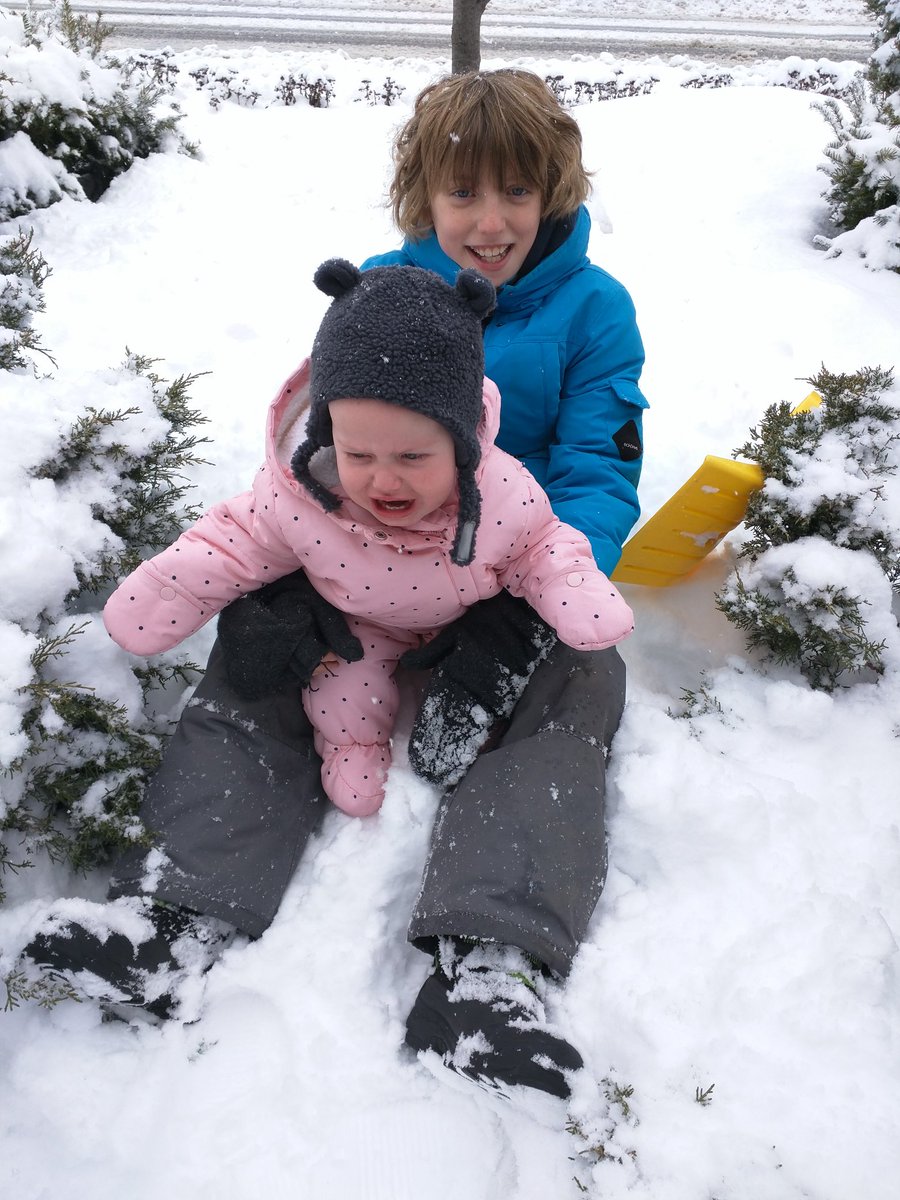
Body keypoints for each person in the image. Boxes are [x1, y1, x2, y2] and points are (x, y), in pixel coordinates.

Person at [22, 69, 648, 1103]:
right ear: (423, 196)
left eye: (516, 193)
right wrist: (299, 549)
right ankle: (174, 917)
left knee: (581, 676)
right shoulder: (379, 287)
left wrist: (525, 607)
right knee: (260, 645)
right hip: (364, 553)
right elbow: (325, 436)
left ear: (555, 195)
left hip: (506, 563)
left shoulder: (594, 310)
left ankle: (492, 968)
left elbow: (596, 468)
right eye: (462, 193)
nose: (490, 222)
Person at [101, 259, 633, 819]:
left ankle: (479, 726)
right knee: (341, 688)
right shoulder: (302, 497)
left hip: (468, 621)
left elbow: (541, 544)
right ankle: (353, 748)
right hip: (360, 626)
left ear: (461, 444)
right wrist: (171, 588)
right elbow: (234, 540)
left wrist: (574, 585)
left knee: (506, 673)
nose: (384, 481)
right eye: (358, 455)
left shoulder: (499, 492)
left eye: (413, 457)